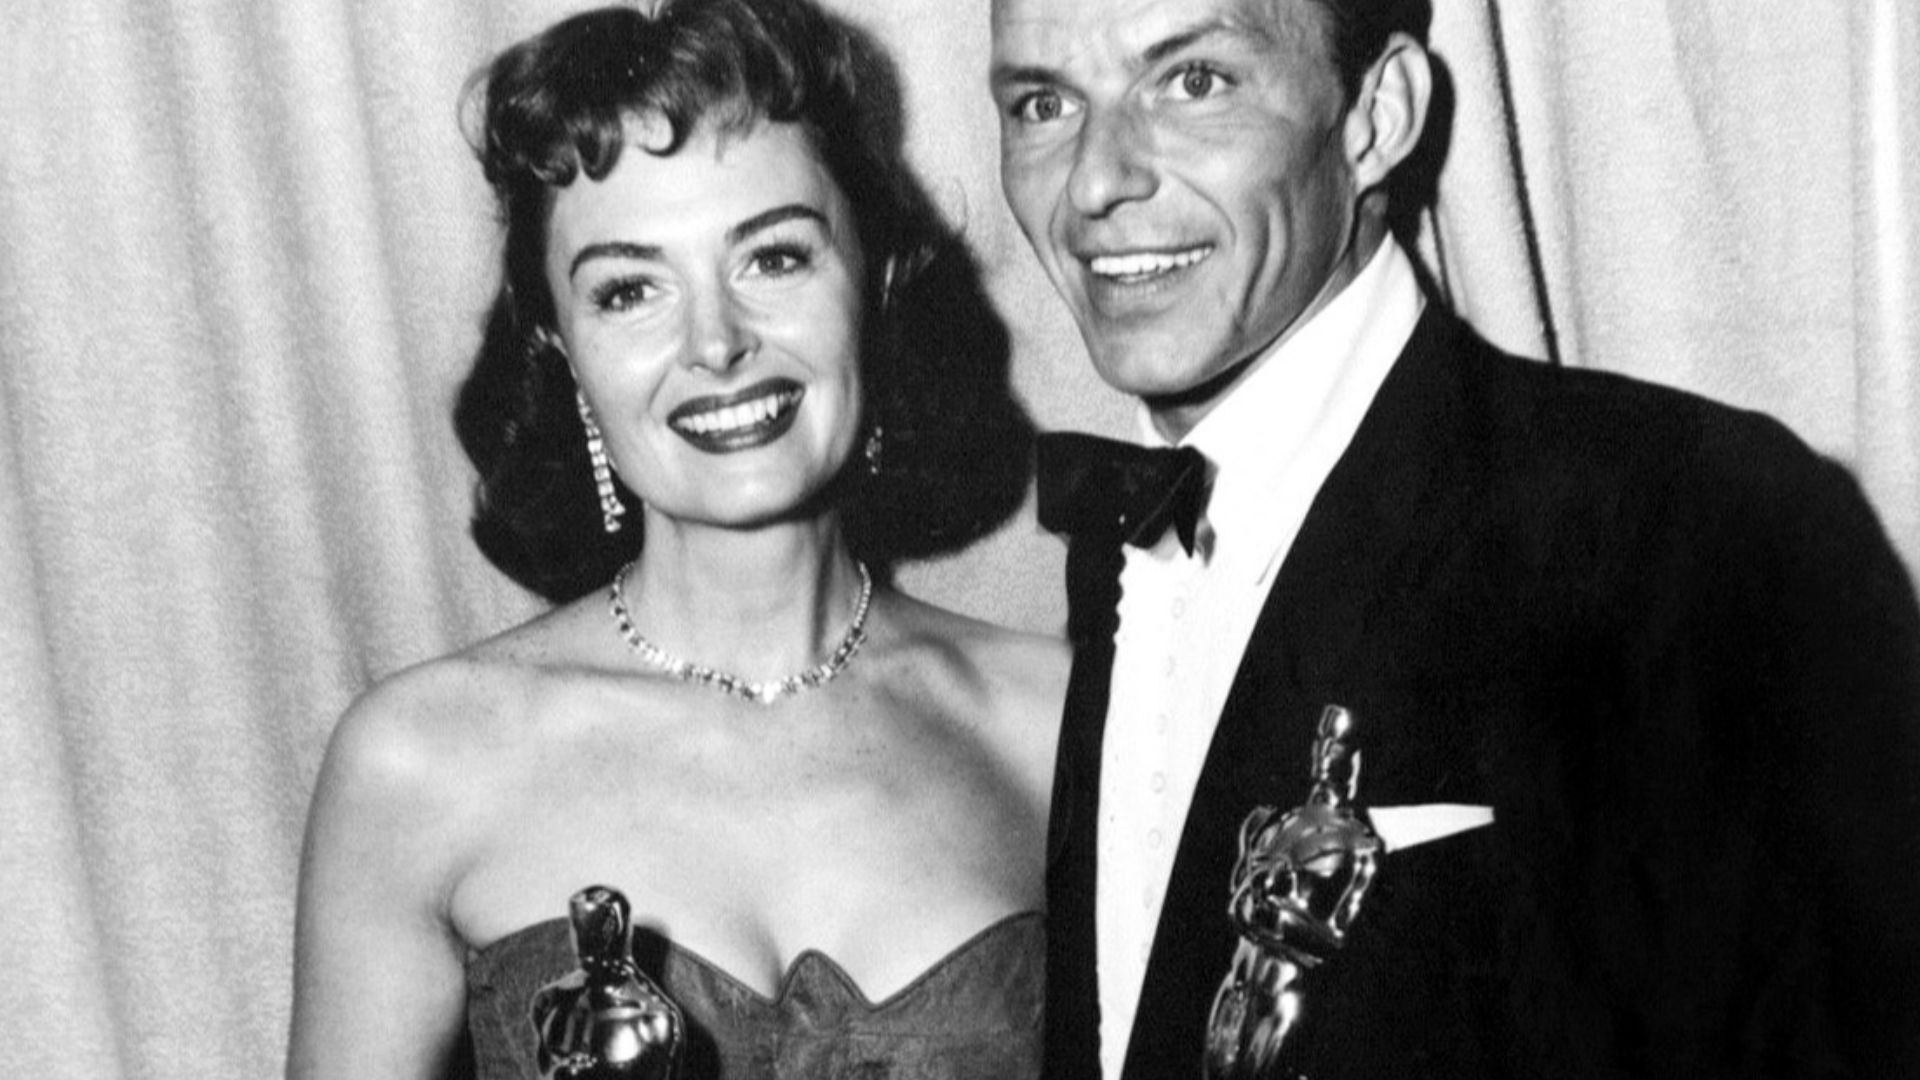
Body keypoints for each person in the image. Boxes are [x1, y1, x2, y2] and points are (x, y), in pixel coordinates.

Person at [987, 0, 1920, 1077]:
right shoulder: (1103, 563)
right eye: (1044, 104)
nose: (1096, 183)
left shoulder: (1694, 524)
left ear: (1377, 117)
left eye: (1195, 82)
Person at [287, 3, 1066, 1077]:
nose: (717, 344)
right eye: (629, 290)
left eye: (775, 258)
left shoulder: (1058, 722)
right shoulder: (417, 761)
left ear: (876, 281)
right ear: (560, 347)